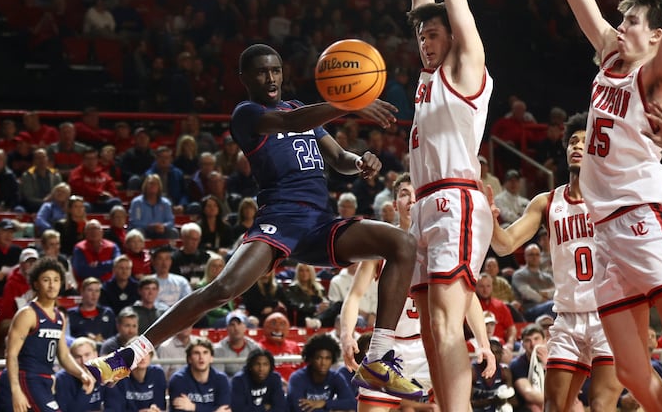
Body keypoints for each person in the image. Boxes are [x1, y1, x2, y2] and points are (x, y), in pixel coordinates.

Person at [86, 43, 420, 400]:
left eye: (276, 70)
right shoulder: (247, 113)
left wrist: (359, 162)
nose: (271, 77)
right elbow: (290, 123)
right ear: (245, 78)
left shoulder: (299, 108)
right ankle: (130, 353)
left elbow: (337, 157)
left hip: (320, 223)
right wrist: (351, 103)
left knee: (402, 243)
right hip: (279, 219)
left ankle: (379, 358)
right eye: (262, 72)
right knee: (222, 290)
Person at [558, 0, 662, 410]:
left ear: (655, 35)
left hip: (644, 218)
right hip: (603, 232)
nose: (621, 27)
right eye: (621, 20)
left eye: (632, 21)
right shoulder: (608, 56)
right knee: (630, 370)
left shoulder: (655, 76)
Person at [488, 113, 624, 411]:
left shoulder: (612, 199)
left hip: (608, 317)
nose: (577, 146)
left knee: (601, 405)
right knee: (554, 407)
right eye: (573, 141)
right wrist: (491, 218)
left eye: (586, 143)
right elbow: (504, 245)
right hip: (567, 317)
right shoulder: (547, 202)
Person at [406, 0, 496, 409]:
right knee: (429, 331)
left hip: (454, 199)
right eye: (421, 36)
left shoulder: (466, 69)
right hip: (423, 205)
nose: (425, 41)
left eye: (434, 35)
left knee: (445, 325)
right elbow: (421, 9)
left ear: (454, 37)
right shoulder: (427, 79)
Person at [340, 173, 437, 411]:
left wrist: (483, 342)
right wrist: (346, 334)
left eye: (416, 194)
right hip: (389, 348)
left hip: (429, 346)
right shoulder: (380, 247)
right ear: (395, 204)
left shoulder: (436, 245)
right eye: (404, 194)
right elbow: (353, 296)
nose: (411, 200)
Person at [5, 258, 94, 412]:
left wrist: (82, 374)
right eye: (46, 280)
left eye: (56, 280)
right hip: (28, 378)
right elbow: (11, 354)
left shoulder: (59, 317)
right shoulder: (28, 314)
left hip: (46, 379)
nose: (52, 285)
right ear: (36, 284)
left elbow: (64, 355)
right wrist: (16, 390)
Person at [287, 334, 357, 412]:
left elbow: (352, 403)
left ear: (332, 360)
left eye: (327, 358)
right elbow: (298, 408)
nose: (323, 363)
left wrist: (324, 403)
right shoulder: (297, 378)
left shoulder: (335, 377)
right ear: (310, 359)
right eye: (318, 358)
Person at [167, 338, 231, 412]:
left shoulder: (221, 379)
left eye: (205, 352)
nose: (201, 357)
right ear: (189, 359)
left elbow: (225, 410)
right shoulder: (178, 380)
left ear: (211, 358)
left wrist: (194, 407)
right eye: (196, 353)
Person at [103, 339, 166, 412]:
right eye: (138, 353)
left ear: (151, 355)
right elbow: (114, 409)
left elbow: (161, 407)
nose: (143, 356)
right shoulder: (117, 377)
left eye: (146, 352)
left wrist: (155, 409)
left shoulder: (158, 373)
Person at [55, 337, 104, 412]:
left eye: (87, 355)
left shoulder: (104, 373)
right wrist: (85, 389)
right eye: (78, 357)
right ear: (71, 359)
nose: (83, 361)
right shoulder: (61, 379)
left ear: (96, 354)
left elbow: (114, 406)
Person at [67, 277, 117, 344]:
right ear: (82, 292)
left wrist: (103, 342)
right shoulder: (71, 314)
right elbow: (66, 339)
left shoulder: (108, 313)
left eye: (97, 291)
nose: (94, 294)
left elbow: (115, 337)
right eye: (90, 290)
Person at [509, 324, 548, 412]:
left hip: (550, 400)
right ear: (522, 344)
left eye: (536, 339)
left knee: (576, 406)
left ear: (544, 341)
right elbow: (529, 394)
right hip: (526, 406)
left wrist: (547, 365)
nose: (533, 344)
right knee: (534, 407)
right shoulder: (517, 364)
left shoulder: (553, 361)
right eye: (528, 340)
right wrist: (558, 399)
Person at [213, 311, 261, 377]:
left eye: (239, 324)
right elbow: (219, 378)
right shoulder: (218, 349)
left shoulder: (255, 348)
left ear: (245, 327)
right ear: (227, 328)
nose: (236, 328)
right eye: (232, 324)